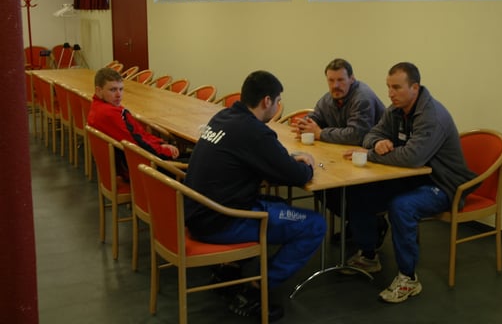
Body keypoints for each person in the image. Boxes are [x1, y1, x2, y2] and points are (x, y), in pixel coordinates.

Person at [183, 70, 326, 321]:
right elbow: (297, 176)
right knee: (314, 224)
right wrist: (308, 164)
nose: (279, 106)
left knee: (279, 204)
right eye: (278, 101)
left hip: (197, 212)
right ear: (267, 101)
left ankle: (228, 270)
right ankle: (255, 290)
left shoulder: (224, 117)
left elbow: (260, 158)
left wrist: (286, 161)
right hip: (221, 221)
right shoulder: (254, 131)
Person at [341, 62, 476, 304]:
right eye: (388, 87)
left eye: (396, 88)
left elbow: (412, 158)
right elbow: (371, 134)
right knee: (359, 190)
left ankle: (408, 278)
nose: (390, 93)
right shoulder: (396, 109)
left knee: (402, 206)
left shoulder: (432, 116)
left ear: (415, 87)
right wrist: (377, 143)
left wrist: (371, 154)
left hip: (444, 185)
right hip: (413, 178)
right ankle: (369, 255)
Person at [294, 58, 387, 244]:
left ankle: (369, 228)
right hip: (344, 158)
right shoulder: (329, 98)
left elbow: (357, 135)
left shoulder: (362, 98)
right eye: (331, 80)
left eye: (340, 80)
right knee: (319, 184)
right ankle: (357, 223)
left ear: (352, 79)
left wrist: (320, 133)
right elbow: (316, 116)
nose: (335, 85)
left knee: (350, 194)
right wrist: (305, 124)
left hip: (373, 162)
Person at [87, 67, 180, 179]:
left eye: (121, 89)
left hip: (134, 162)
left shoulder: (101, 107)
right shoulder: (109, 113)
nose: (119, 95)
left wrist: (160, 143)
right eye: (113, 90)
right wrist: (164, 150)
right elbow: (137, 144)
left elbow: (138, 133)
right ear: (98, 91)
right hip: (142, 169)